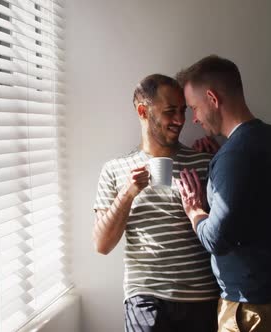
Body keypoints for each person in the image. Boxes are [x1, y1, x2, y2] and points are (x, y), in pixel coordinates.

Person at [175, 55, 271, 332]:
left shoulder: (235, 156)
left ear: (212, 98)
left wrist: (194, 210)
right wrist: (221, 162)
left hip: (252, 308)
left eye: (194, 108)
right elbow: (253, 201)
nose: (194, 119)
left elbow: (216, 238)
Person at [93, 74, 220, 332]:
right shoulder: (115, 170)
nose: (180, 120)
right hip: (146, 298)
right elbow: (102, 244)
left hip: (201, 297)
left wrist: (221, 160)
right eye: (170, 111)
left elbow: (223, 226)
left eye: (183, 111)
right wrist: (128, 194)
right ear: (143, 111)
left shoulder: (203, 161)